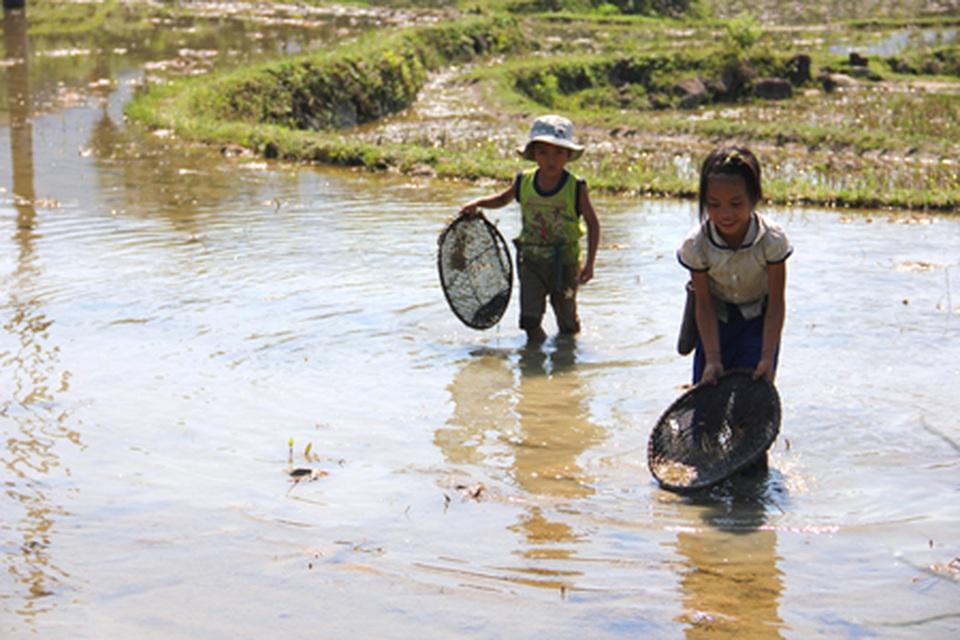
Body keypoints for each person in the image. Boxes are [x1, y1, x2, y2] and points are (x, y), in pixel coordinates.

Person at [459, 114, 600, 343]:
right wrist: (478, 204)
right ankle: (534, 363)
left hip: (565, 263)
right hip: (531, 262)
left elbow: (593, 224)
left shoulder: (575, 186)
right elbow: (502, 199)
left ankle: (566, 355)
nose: (551, 159)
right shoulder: (524, 181)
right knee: (530, 321)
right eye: (543, 152)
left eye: (558, 153)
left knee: (567, 322)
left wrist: (591, 263)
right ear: (533, 155)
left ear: (567, 155)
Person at [677, 145, 792, 385]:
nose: (725, 214)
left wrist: (768, 357)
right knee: (708, 388)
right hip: (716, 321)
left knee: (753, 391)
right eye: (714, 205)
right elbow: (704, 304)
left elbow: (776, 302)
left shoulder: (772, 240)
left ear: (754, 198)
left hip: (758, 322)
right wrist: (712, 358)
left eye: (736, 204)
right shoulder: (696, 245)